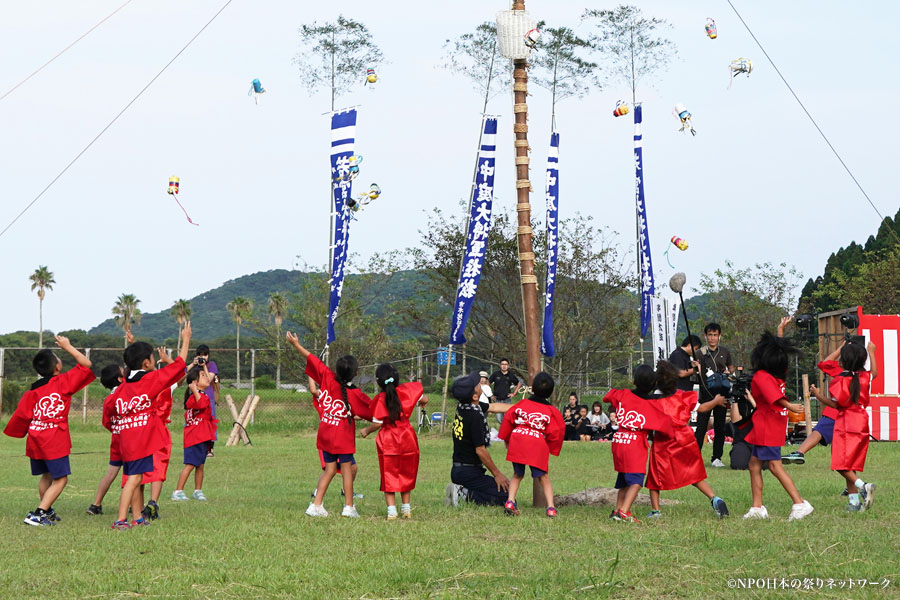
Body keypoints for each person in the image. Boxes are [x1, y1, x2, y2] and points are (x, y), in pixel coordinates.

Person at [3, 336, 95, 527]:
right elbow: (86, 364)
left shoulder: (32, 390)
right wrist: (68, 346)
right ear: (57, 367)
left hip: (36, 435)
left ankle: (48, 509)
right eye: (58, 357)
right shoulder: (62, 382)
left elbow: (22, 415)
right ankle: (39, 514)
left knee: (47, 475)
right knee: (61, 479)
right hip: (53, 437)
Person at [110, 322, 191, 530]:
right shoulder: (150, 380)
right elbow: (180, 365)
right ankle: (120, 520)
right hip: (141, 438)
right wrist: (186, 338)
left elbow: (108, 410)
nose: (155, 360)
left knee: (136, 479)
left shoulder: (123, 387)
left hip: (127, 438)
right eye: (152, 358)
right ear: (146, 363)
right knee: (134, 479)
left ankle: (137, 517)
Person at [286, 332, 373, 518]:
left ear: (336, 370)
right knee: (347, 469)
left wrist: (295, 343)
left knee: (330, 469)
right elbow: (372, 410)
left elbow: (310, 357)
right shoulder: (355, 393)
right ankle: (349, 507)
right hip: (342, 437)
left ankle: (316, 505)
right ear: (356, 373)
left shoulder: (327, 376)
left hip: (325, 432)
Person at [743, 332, 813, 521]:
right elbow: (777, 350)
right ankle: (757, 508)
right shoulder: (778, 374)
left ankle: (799, 503)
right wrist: (780, 332)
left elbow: (771, 395)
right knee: (754, 464)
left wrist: (789, 405)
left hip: (767, 424)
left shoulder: (761, 376)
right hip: (770, 423)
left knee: (774, 466)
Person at [646, 361, 729, 519]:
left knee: (655, 476)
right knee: (693, 474)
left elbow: (649, 424)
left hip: (663, 440)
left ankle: (656, 511)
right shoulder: (684, 396)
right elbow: (703, 408)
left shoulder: (653, 401)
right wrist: (716, 401)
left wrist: (650, 437)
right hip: (685, 438)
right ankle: (714, 498)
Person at [810, 340, 878, 512]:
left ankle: (863, 486)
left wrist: (818, 395)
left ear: (842, 361)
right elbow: (874, 373)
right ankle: (854, 502)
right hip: (862, 421)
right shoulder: (865, 377)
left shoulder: (840, 380)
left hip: (845, 422)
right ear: (863, 360)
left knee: (839, 464)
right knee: (849, 464)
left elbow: (835, 405)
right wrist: (872, 352)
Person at [603, 366, 673, 523]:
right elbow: (665, 424)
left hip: (619, 440)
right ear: (653, 385)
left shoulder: (623, 394)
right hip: (634, 444)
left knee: (624, 479)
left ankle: (616, 510)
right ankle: (624, 512)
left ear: (634, 381)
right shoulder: (651, 404)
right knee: (636, 481)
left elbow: (608, 396)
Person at [359, 363, 427, 520]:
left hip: (388, 439)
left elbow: (377, 423)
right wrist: (423, 401)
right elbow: (424, 397)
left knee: (388, 473)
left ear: (378, 382)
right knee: (406, 471)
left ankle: (391, 511)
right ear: (397, 378)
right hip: (407, 436)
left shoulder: (379, 399)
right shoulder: (406, 392)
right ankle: (406, 509)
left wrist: (366, 431)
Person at [497, 372, 565, 518]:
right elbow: (557, 430)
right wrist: (551, 447)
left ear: (532, 389)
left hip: (518, 438)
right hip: (536, 441)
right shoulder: (551, 410)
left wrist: (507, 441)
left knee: (517, 474)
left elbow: (508, 419)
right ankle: (551, 508)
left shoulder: (522, 404)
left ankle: (510, 501)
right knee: (543, 477)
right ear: (551, 392)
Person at [445, 371, 512, 507]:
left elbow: (494, 407)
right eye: (476, 384)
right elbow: (480, 450)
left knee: (505, 491)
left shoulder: (465, 406)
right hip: (468, 472)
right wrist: (497, 474)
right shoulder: (474, 416)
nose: (479, 383)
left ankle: (462, 490)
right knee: (506, 496)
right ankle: (463, 494)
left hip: (460, 470)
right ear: (475, 395)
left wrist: (522, 407)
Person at [171, 366, 218, 502]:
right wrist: (194, 391)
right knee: (190, 464)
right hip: (194, 438)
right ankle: (178, 491)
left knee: (200, 465)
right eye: (203, 376)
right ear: (195, 382)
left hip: (203, 436)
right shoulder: (193, 398)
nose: (206, 377)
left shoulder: (201, 395)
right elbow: (202, 405)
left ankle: (198, 490)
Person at [86, 364, 126, 516]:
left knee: (111, 472)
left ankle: (96, 504)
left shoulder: (109, 399)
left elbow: (106, 422)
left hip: (116, 437)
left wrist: (115, 428)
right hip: (129, 437)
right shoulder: (126, 392)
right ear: (119, 379)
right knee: (132, 473)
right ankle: (133, 503)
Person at [694, 323, 735, 468]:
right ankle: (695, 456)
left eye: (715, 335)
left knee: (720, 427)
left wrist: (728, 375)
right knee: (701, 427)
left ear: (719, 336)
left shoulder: (725, 352)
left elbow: (731, 370)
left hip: (722, 394)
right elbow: (694, 372)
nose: (712, 338)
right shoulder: (699, 353)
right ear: (705, 336)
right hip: (706, 395)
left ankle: (716, 457)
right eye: (710, 335)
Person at [189, 344, 219, 456]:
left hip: (208, 397)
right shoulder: (195, 367)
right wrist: (193, 364)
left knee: (209, 422)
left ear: (208, 355)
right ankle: (195, 445)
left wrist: (204, 366)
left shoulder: (212, 365)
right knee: (194, 422)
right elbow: (184, 374)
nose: (203, 357)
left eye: (205, 355)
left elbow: (209, 379)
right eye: (200, 355)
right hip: (195, 398)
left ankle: (210, 448)